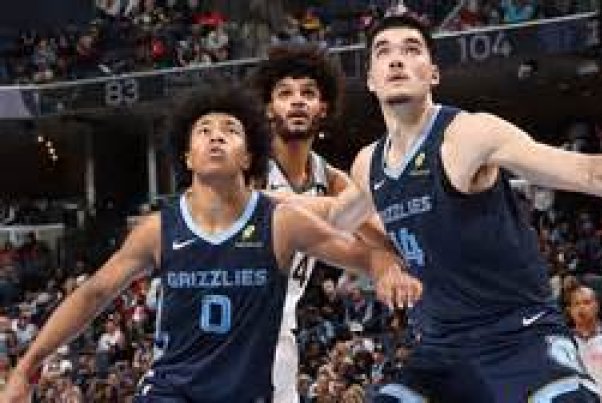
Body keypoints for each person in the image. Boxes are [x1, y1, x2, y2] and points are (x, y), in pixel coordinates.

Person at [329, 14, 602, 402]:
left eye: (411, 50)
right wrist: (376, 250)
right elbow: (338, 219)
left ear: (434, 74)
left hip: (520, 335)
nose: (396, 59)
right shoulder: (368, 164)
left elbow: (584, 171)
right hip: (441, 352)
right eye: (383, 52)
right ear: (371, 79)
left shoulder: (469, 135)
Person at [1, 86, 421, 403]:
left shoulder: (281, 221)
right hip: (170, 391)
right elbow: (92, 294)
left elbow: (363, 253)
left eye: (230, 131)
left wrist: (385, 266)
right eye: (204, 131)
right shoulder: (158, 229)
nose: (216, 137)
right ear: (187, 156)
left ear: (247, 157)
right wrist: (27, 366)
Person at [251, 43, 353, 403]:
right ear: (268, 108)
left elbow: (374, 225)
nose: (297, 101)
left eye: (308, 93)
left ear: (322, 107)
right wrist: (338, 209)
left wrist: (384, 262)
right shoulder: (249, 169)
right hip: (226, 325)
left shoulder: (332, 178)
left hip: (280, 329)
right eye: (285, 93)